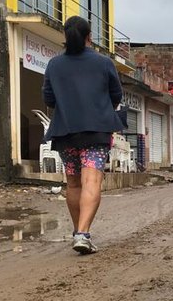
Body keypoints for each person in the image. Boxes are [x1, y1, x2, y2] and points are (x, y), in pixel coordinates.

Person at [43, 16, 124, 255]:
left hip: (66, 132)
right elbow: (116, 95)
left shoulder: (54, 65)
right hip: (96, 131)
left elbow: (48, 99)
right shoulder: (104, 62)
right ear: (90, 37)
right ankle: (82, 233)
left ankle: (79, 231)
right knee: (91, 181)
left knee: (73, 183)